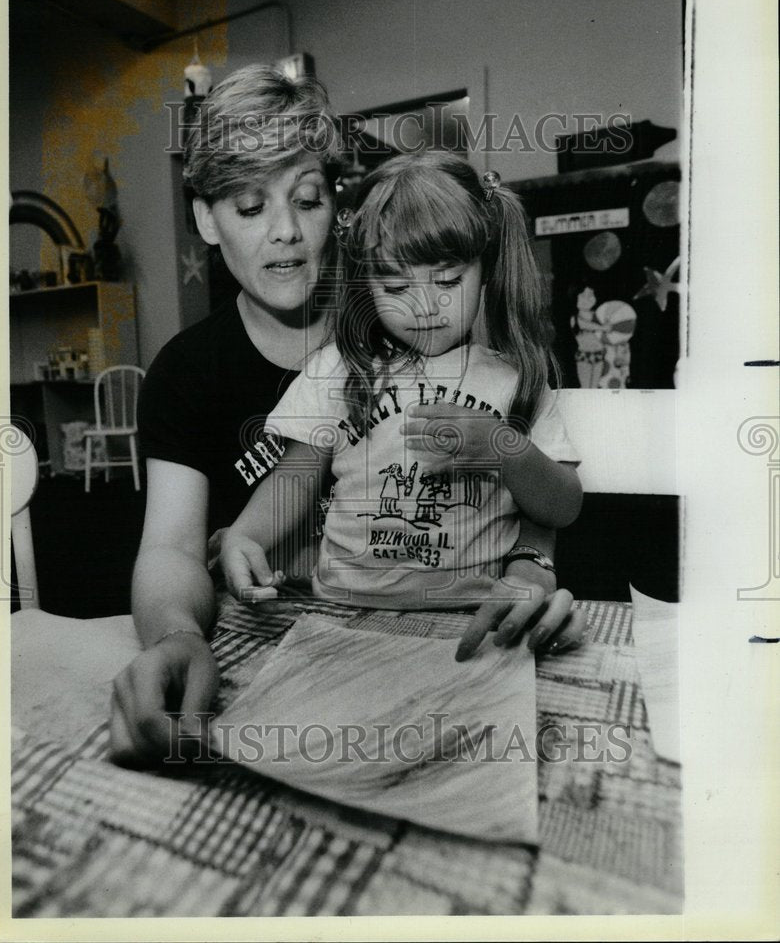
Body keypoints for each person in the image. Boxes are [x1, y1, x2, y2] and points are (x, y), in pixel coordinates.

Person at [110, 68, 583, 768]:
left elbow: (541, 489)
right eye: (248, 207)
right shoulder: (191, 371)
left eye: (307, 199)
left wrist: (532, 565)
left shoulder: (448, 335)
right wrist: (177, 635)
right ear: (206, 219)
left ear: (338, 201)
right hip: (310, 639)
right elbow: (176, 549)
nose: (287, 233)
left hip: (457, 624)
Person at [220, 152, 583, 639]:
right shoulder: (337, 371)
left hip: (474, 619)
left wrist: (503, 448)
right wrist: (247, 535)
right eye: (394, 284)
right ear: (366, 283)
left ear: (484, 266)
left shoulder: (517, 380)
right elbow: (298, 479)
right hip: (340, 617)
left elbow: (562, 508)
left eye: (448, 279)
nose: (425, 306)